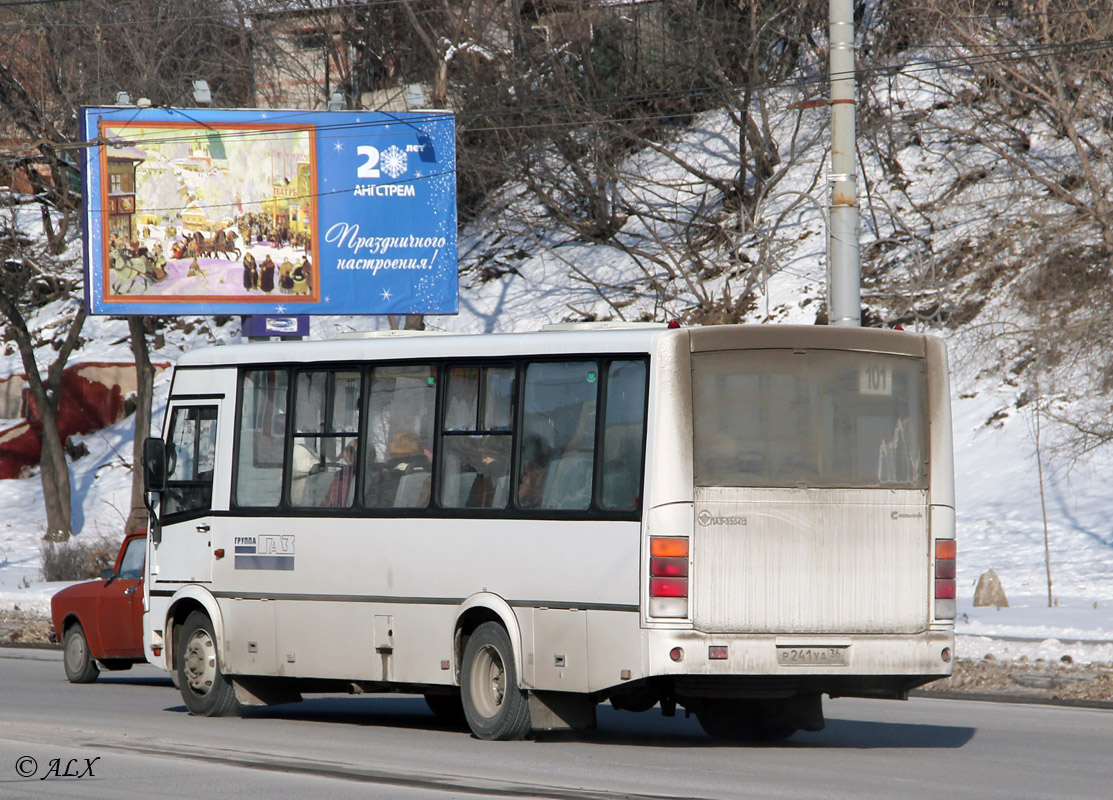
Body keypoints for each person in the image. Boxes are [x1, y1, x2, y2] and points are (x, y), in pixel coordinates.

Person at [517, 434, 552, 509]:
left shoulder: (549, 480)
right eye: (527, 467)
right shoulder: (512, 483)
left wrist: (534, 492)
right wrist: (521, 496)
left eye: (532, 466)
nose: (526, 471)